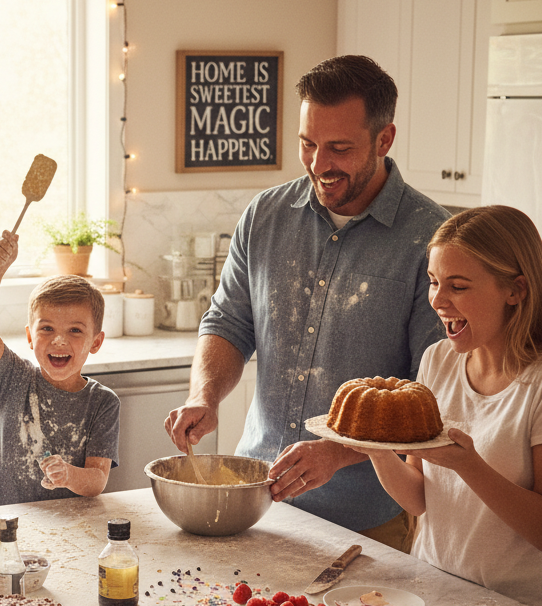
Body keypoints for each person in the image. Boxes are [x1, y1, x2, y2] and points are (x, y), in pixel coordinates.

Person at [166, 55, 449, 550]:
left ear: (384, 139)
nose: (319, 165)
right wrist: (203, 397)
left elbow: (432, 394)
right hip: (255, 503)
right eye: (307, 144)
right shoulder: (266, 216)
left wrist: (338, 452)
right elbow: (229, 323)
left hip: (365, 521)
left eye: (339, 148)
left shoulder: (431, 240)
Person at [349, 207, 542, 606]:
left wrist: (467, 464)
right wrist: (377, 450)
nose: (437, 300)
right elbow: (421, 499)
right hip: (429, 593)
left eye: (457, 286)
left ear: (516, 291)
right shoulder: (437, 361)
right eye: (433, 282)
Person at [0, 230, 120, 507]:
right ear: (29, 337)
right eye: (47, 328)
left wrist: (68, 475)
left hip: (64, 531)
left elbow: (97, 480)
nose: (59, 340)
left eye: (75, 330)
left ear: (95, 342)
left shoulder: (102, 402)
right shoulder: (13, 378)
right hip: (0, 524)